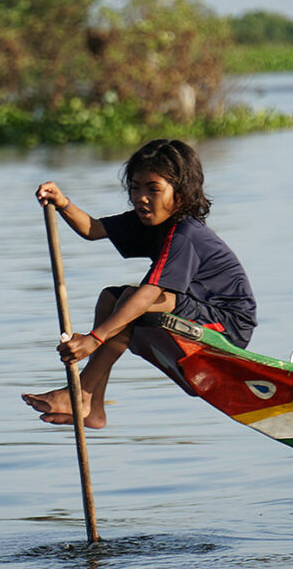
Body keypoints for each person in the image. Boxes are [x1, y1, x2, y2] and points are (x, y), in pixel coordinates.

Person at [23, 139, 257, 429]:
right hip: (195, 309)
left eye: (153, 189)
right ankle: (93, 405)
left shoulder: (184, 234)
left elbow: (149, 295)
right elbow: (93, 229)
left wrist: (95, 338)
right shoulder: (149, 222)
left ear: (181, 195)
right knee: (110, 298)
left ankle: (81, 392)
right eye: (135, 188)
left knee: (135, 301)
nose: (141, 197)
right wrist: (63, 203)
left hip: (228, 324)